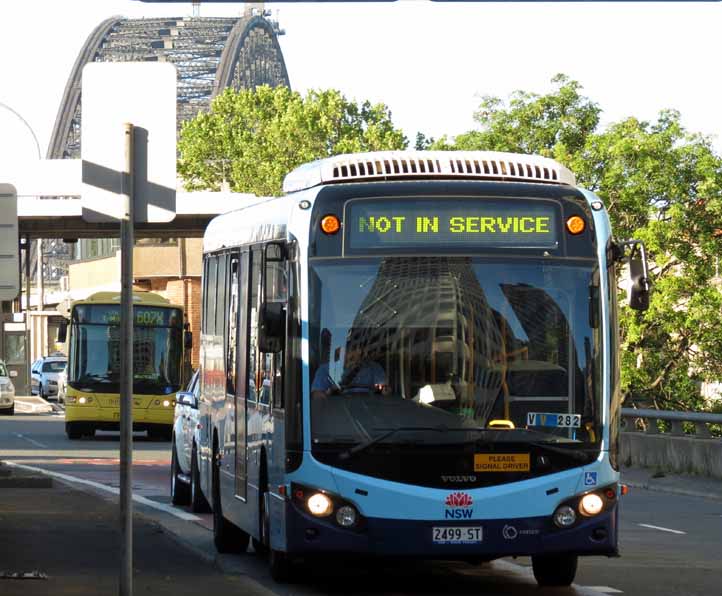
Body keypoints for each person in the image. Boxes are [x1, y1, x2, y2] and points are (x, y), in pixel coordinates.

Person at [311, 357, 389, 398]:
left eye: (358, 347)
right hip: (338, 412)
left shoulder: (374, 368)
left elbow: (384, 390)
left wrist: (384, 390)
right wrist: (330, 392)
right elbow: (317, 395)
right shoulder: (326, 369)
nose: (356, 352)